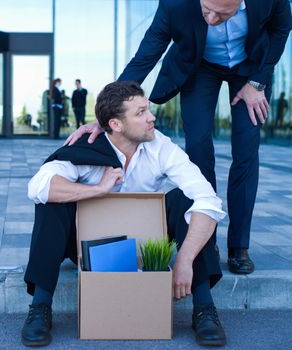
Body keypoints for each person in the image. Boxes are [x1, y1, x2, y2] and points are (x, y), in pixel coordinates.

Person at [66, 0, 292, 275]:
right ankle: (206, 240)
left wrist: (257, 83)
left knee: (246, 151)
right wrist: (108, 115)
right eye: (205, 10)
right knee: (198, 146)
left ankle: (239, 246)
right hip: (200, 67)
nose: (209, 19)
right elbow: (145, 57)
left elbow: (282, 29)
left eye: (220, 14)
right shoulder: (175, 4)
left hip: (250, 69)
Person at [22, 81, 227, 347]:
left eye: (148, 109)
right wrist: (97, 188)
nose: (151, 117)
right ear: (116, 125)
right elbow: (37, 186)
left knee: (187, 199)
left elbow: (208, 200)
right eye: (140, 113)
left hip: (146, 244)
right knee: (51, 202)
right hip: (89, 246)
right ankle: (40, 307)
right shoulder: (87, 146)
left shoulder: (159, 146)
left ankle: (204, 308)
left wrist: (184, 260)